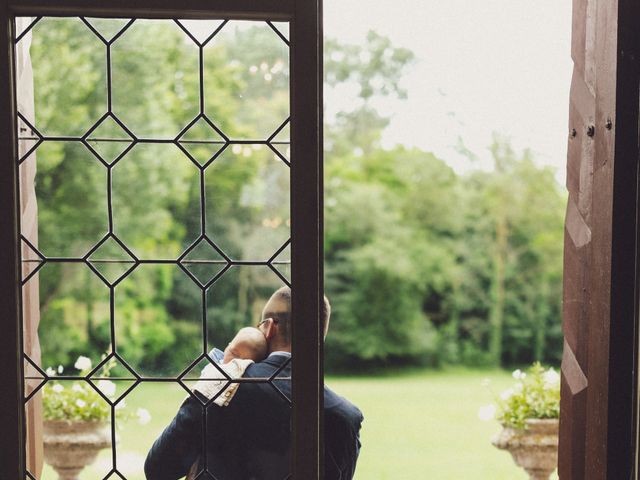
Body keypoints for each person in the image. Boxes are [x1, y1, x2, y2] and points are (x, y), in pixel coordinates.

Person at [144, 286, 364, 480]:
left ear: (268, 327)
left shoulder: (224, 386)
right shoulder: (346, 416)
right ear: (320, 336)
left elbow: (159, 468)